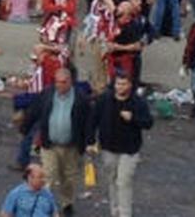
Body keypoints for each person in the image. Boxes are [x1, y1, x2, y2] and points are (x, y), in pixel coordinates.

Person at [19, 67, 90, 216]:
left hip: (71, 145)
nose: (60, 86)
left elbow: (88, 121)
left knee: (68, 178)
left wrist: (89, 141)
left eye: (64, 82)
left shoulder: (81, 98)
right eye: (58, 82)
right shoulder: (47, 94)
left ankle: (67, 202)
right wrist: (24, 128)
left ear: (70, 82)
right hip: (50, 144)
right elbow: (34, 111)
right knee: (48, 176)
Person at [90, 71, 153, 217]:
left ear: (130, 85)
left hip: (129, 150)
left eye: (124, 84)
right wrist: (90, 140)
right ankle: (115, 211)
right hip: (109, 148)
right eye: (118, 83)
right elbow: (93, 120)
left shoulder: (137, 102)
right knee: (112, 181)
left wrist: (133, 118)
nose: (120, 87)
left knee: (123, 182)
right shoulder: (105, 99)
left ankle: (125, 213)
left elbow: (148, 123)